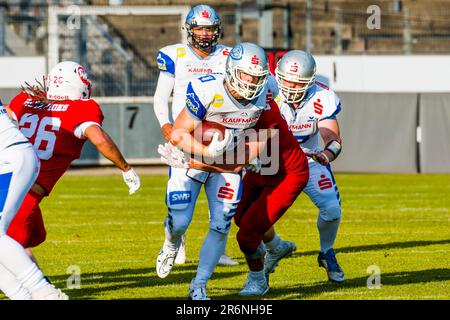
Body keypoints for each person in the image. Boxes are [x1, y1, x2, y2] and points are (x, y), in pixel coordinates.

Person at [0, 61, 141, 299]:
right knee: (18, 243)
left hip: (16, 178)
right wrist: (125, 168)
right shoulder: (81, 109)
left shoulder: (25, 100)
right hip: (29, 187)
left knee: (22, 240)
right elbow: (99, 139)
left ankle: (36, 292)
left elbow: (7, 114)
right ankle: (36, 292)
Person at [156, 42, 277, 300]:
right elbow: (178, 134)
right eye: (247, 75)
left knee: (221, 225)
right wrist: (208, 152)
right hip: (195, 155)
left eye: (257, 77)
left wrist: (209, 158)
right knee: (180, 223)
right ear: (232, 69)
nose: (252, 82)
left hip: (221, 162)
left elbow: (249, 153)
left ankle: (199, 284)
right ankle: (171, 243)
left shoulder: (266, 94)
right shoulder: (207, 87)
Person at [154, 4, 237, 266]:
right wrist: (165, 124)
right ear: (189, 29)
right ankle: (177, 239)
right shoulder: (175, 55)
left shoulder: (228, 56)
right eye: (199, 28)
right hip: (186, 134)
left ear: (217, 30)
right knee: (183, 200)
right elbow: (160, 96)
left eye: (209, 28)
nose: (204, 33)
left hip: (219, 135)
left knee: (222, 204)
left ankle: (219, 250)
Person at [269, 50, 345, 283]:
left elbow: (333, 139)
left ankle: (327, 251)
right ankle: (271, 251)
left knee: (332, 210)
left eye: (297, 82)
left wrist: (326, 154)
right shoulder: (266, 89)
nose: (290, 86)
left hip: (309, 160)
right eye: (287, 79)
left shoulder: (322, 96)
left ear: (310, 81)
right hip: (272, 160)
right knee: (260, 215)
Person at [232, 97, 310, 296]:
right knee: (240, 218)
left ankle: (258, 280)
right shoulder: (230, 98)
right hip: (265, 167)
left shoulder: (265, 110)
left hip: (287, 174)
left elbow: (240, 160)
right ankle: (276, 246)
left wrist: (195, 160)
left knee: (247, 234)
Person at [0, 99, 67, 300]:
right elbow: (10, 113)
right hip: (14, 155)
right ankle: (22, 296)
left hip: (11, 158)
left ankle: (44, 292)